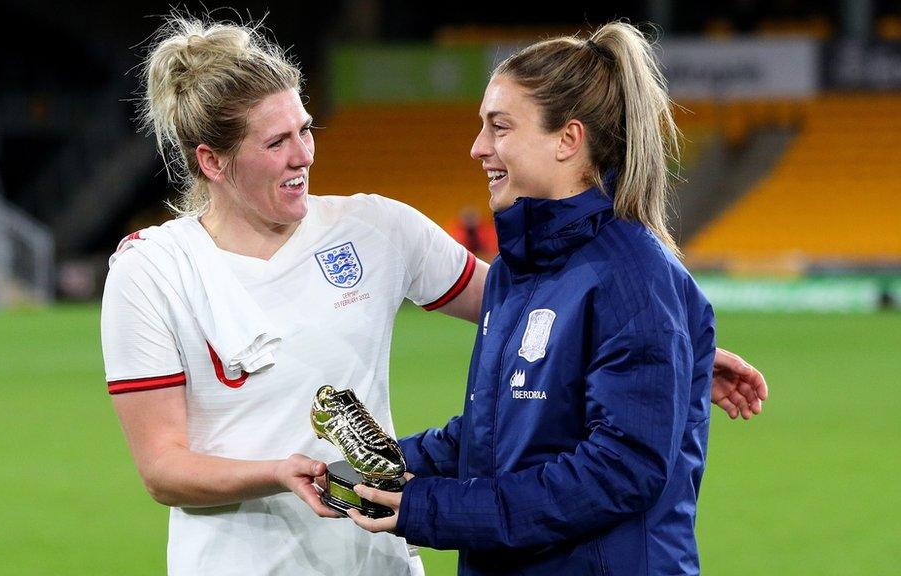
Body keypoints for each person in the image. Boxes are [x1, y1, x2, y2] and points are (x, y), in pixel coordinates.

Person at [100, 14, 765, 576]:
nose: (303, 154)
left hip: (380, 559)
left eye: (306, 130)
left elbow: (552, 325)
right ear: (212, 161)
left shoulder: (374, 227)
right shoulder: (154, 269)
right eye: (277, 141)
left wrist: (680, 356)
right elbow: (163, 468)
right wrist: (288, 470)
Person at [348, 22, 734, 575]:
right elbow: (497, 432)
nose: (478, 147)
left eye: (499, 127)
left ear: (567, 140)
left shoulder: (635, 278)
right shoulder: (515, 271)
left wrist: (435, 508)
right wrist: (382, 464)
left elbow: (619, 471)